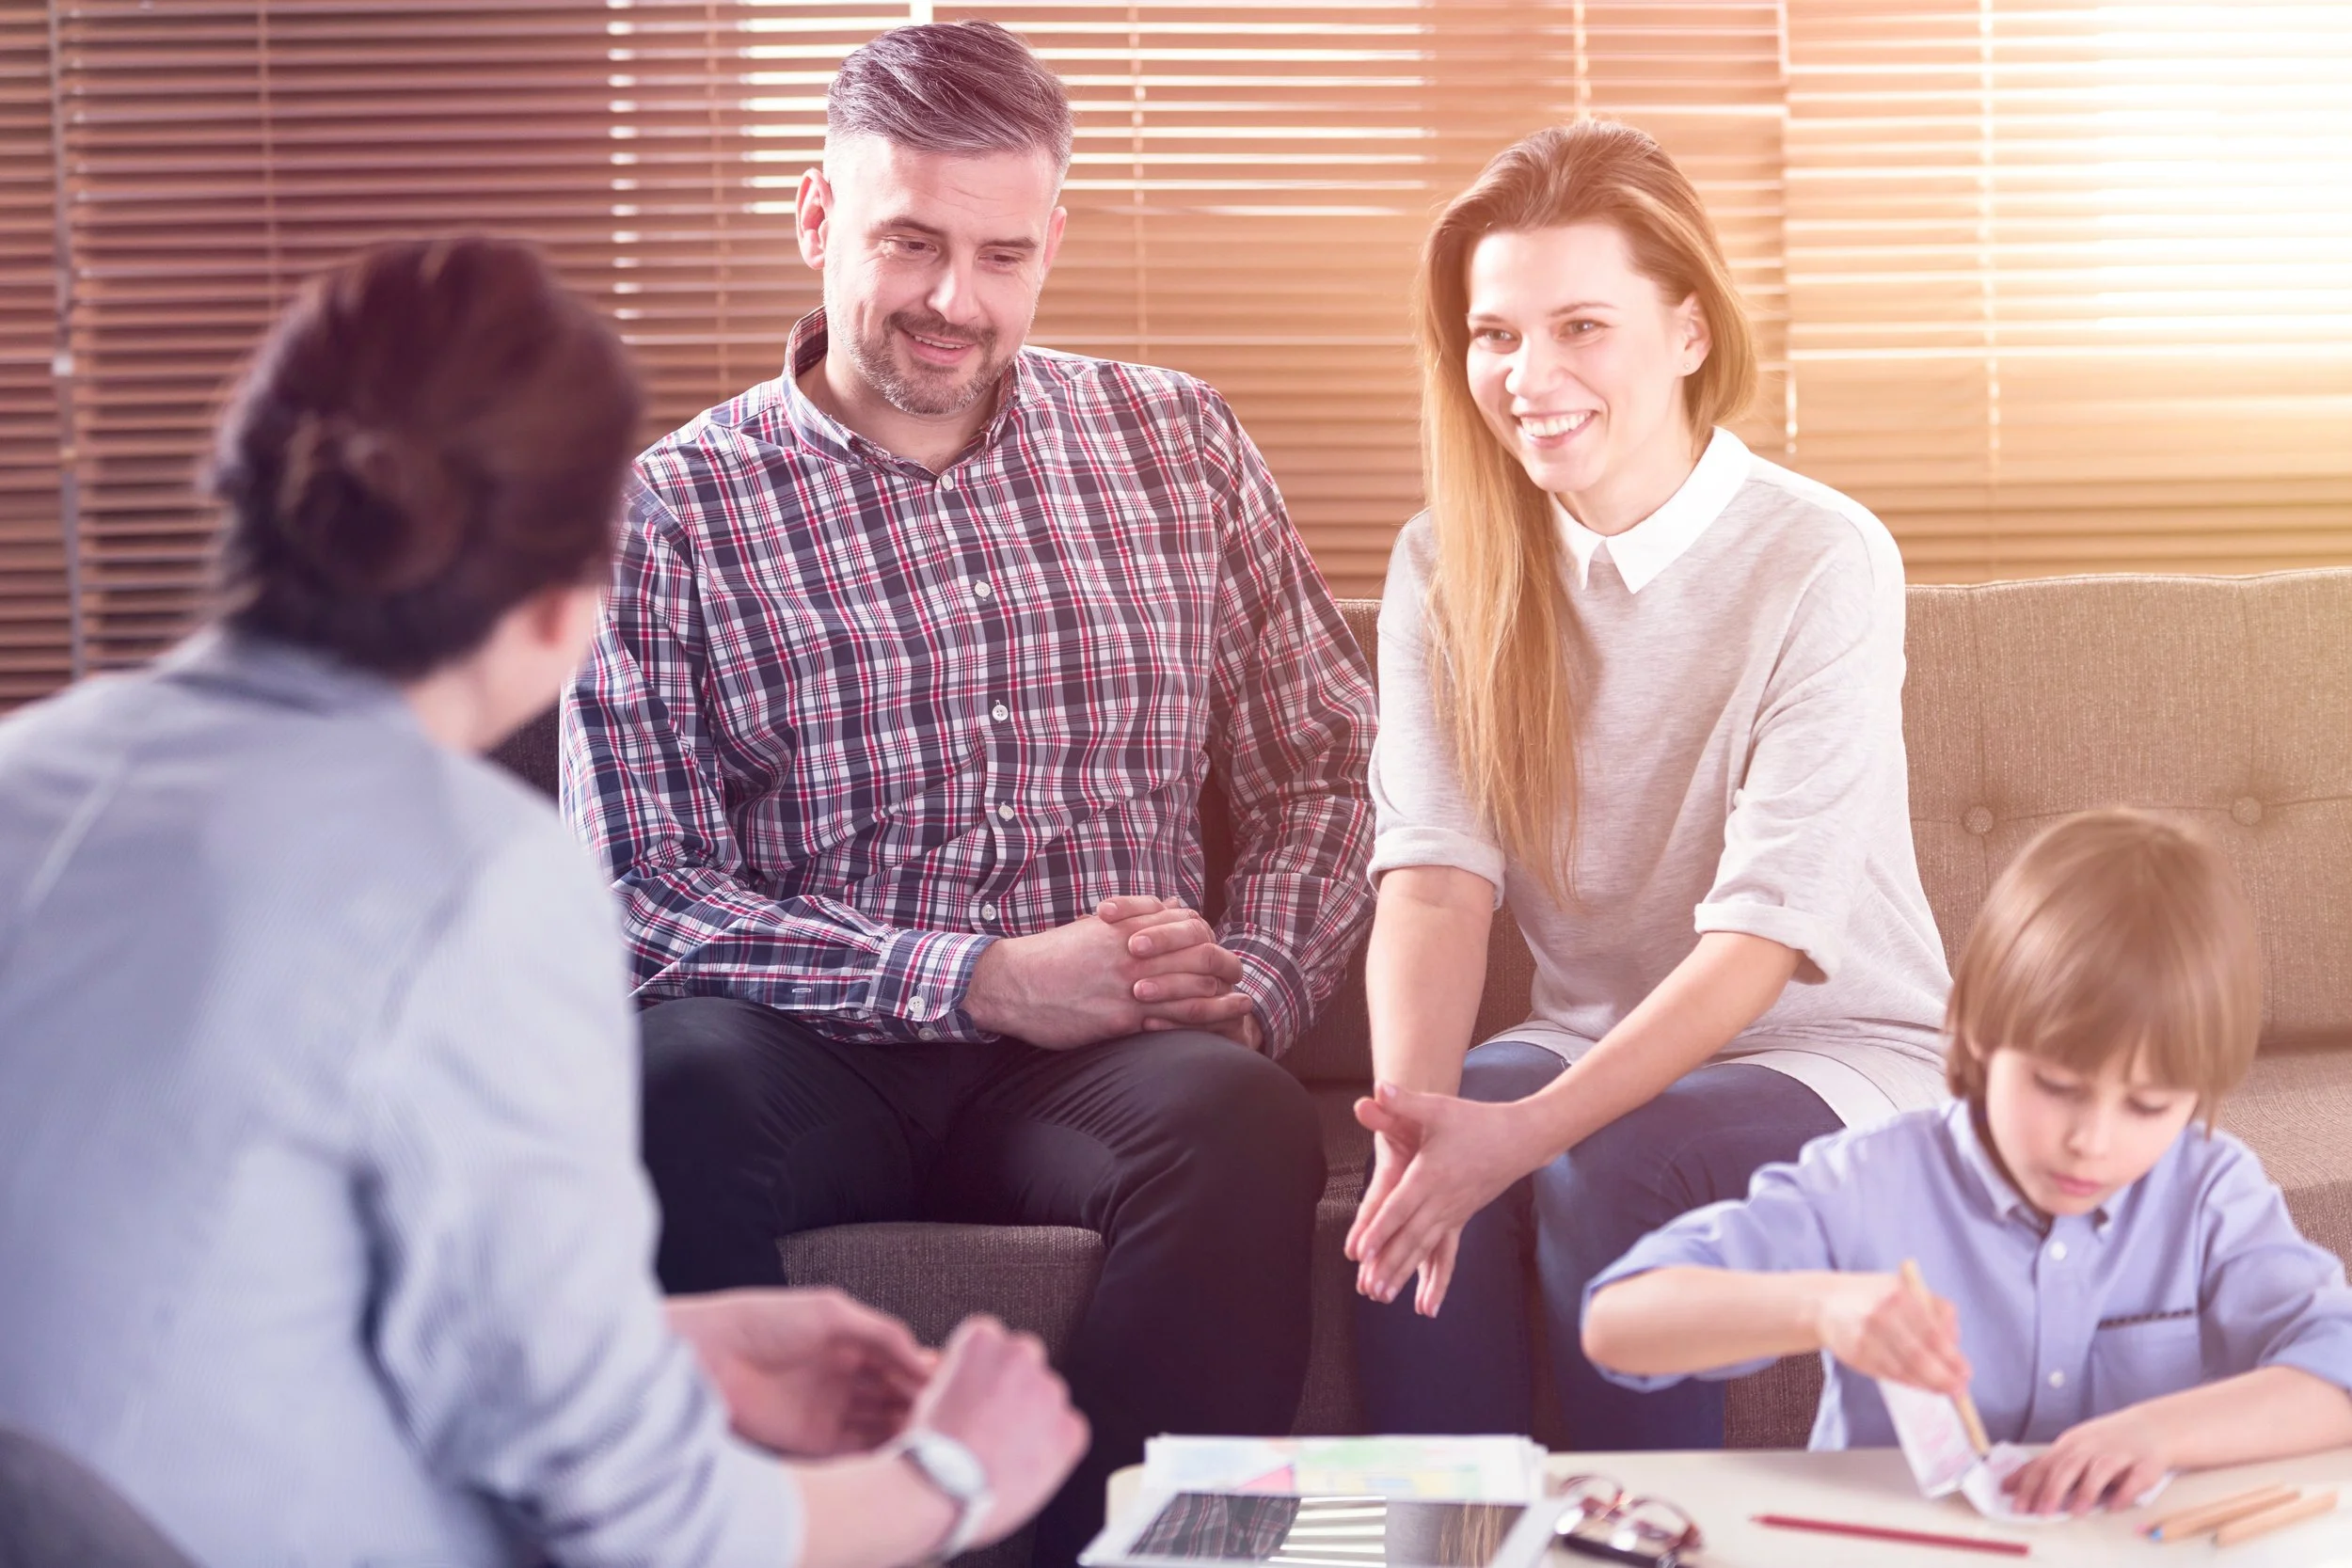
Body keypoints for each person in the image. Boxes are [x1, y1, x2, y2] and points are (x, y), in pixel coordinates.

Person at [0, 237, 1086, 1568]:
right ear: (580, 593)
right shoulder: (479, 881)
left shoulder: (29, 774)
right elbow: (652, 1527)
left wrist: (662, 1350)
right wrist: (955, 1473)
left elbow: (216, 1286)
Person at [560, 20, 1375, 1562]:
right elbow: (639, 900)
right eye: (910, 241)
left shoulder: (1176, 445)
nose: (954, 299)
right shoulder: (667, 512)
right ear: (817, 217)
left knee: (1244, 1120)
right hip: (809, 1046)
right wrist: (986, 979)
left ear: (1053, 240)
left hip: (1110, 1064)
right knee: (665, 1081)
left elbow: (1330, 757)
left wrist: (1253, 983)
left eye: (1003, 253)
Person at [1343, 120, 1953, 1449]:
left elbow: (1766, 932)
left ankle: (1646, 1543)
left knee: (1609, 1160)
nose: (1527, 373)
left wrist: (1516, 1135)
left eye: (1579, 326)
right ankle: (1450, 1544)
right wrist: (1417, 1123)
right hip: (1592, 1033)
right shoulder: (1447, 561)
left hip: (1839, 1049)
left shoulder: (1820, 554)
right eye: (1494, 332)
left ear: (1686, 330)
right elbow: (1438, 880)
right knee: (1409, 1193)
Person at [1582, 810, 2352, 1515]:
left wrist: (2158, 1432)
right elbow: (1617, 1322)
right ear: (1974, 1031)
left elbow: (2337, 1368)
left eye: (2149, 1107)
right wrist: (1819, 1305)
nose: (2093, 1139)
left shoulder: (2211, 1191)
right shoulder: (1873, 1180)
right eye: (2056, 1085)